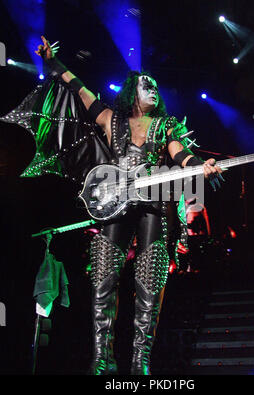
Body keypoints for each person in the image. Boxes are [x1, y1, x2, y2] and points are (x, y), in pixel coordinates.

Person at [6, 35, 224, 376]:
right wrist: (53, 62)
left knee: (149, 280)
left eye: (155, 86)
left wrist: (199, 164)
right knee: (104, 278)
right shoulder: (110, 118)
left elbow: (180, 153)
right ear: (131, 93)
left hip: (152, 203)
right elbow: (79, 89)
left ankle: (141, 361)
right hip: (115, 202)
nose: (153, 88)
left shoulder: (166, 125)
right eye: (145, 85)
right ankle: (102, 359)